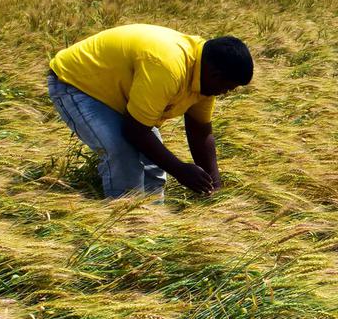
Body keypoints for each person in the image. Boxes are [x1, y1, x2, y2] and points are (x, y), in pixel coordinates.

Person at [47, 24, 253, 199]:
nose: (225, 93)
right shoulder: (168, 67)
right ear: (215, 75)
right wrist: (181, 171)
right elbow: (135, 131)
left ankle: (152, 221)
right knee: (122, 152)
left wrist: (214, 186)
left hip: (119, 92)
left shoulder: (204, 78)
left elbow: (200, 132)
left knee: (153, 164)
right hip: (77, 82)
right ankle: (127, 223)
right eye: (228, 87)